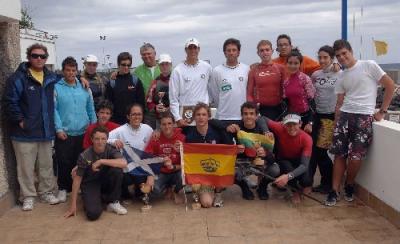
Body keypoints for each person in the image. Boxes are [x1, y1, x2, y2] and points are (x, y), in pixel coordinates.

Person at [325, 39, 395, 206]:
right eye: (338, 55)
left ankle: (349, 184)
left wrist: (382, 111)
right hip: (344, 116)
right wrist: (336, 121)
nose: (342, 57)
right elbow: (339, 102)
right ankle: (334, 190)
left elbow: (390, 85)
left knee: (356, 157)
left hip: (364, 117)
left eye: (344, 53)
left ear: (351, 51)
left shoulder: (368, 65)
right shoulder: (341, 76)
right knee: (339, 155)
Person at [4, 43, 59, 211]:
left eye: (42, 56)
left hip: (44, 131)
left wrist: (82, 78)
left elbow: (69, 79)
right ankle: (27, 196)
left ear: (46, 58)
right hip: (24, 133)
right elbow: (9, 102)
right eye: (35, 55)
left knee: (46, 165)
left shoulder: (51, 77)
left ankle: (46, 192)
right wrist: (21, 120)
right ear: (29, 57)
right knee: (25, 167)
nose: (39, 59)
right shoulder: (18, 78)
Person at [54, 56, 97, 203]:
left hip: (84, 132)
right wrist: (59, 129)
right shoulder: (56, 87)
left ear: (77, 71)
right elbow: (54, 110)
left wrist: (93, 128)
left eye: (73, 70)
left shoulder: (85, 87)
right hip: (65, 132)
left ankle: (77, 187)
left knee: (80, 161)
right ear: (63, 71)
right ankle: (63, 188)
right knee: (63, 161)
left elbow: (91, 109)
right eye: (68, 70)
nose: (71, 73)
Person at [64, 126, 128, 220]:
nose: (100, 142)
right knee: (93, 214)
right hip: (91, 183)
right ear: (92, 139)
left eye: (103, 139)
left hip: (105, 180)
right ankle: (93, 199)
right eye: (97, 139)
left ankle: (113, 202)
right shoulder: (84, 155)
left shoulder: (110, 148)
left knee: (117, 170)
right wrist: (73, 205)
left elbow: (124, 163)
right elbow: (77, 179)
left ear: (107, 139)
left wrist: (101, 161)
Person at [226, 102, 280, 200]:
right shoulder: (236, 128)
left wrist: (266, 153)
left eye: (251, 114)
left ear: (256, 116)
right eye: (245, 114)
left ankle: (262, 187)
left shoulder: (264, 131)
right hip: (243, 163)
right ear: (241, 115)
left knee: (275, 170)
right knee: (228, 171)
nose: (248, 116)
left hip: (260, 163)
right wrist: (235, 150)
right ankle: (244, 186)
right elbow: (215, 123)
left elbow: (273, 158)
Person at [183, 103, 233, 208]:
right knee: (207, 203)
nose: (201, 117)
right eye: (198, 115)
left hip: (216, 170)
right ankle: (202, 190)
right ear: (194, 117)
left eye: (204, 114)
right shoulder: (190, 135)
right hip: (201, 174)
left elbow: (229, 149)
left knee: (222, 164)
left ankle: (218, 193)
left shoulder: (218, 132)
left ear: (208, 117)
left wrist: (238, 149)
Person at [107, 104, 154, 200]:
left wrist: (157, 132)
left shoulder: (148, 129)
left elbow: (155, 142)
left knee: (144, 193)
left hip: (141, 168)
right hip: (126, 169)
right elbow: (105, 138)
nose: (137, 117)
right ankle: (124, 192)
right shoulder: (121, 130)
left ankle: (137, 190)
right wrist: (114, 141)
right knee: (120, 176)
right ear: (128, 116)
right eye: (134, 114)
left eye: (139, 114)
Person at [309, 45, 339, 194]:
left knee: (322, 151)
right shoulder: (315, 75)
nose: (322, 60)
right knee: (316, 150)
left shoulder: (339, 73)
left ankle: (328, 183)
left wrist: (337, 66)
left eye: (325, 57)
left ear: (332, 58)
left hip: (331, 116)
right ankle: (325, 182)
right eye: (320, 57)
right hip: (317, 116)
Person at [265, 114, 313, 204]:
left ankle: (305, 185)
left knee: (306, 180)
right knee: (288, 169)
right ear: (284, 125)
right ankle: (295, 191)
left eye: (294, 124)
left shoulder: (307, 138)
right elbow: (262, 118)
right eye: (288, 125)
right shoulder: (279, 127)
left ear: (300, 124)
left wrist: (288, 176)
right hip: (284, 159)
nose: (291, 128)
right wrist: (266, 131)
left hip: (300, 160)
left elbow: (304, 165)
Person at [169, 38, 212, 127]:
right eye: (190, 48)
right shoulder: (177, 70)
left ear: (199, 49)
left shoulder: (207, 67)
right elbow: (173, 97)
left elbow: (212, 88)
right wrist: (177, 118)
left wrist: (209, 103)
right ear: (186, 50)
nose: (193, 50)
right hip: (185, 115)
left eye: (195, 48)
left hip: (202, 113)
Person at [145, 112, 185, 204]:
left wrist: (180, 152)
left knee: (184, 175)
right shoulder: (155, 138)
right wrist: (150, 175)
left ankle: (175, 190)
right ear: (160, 125)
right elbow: (147, 158)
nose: (167, 127)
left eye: (169, 123)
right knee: (153, 191)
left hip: (176, 171)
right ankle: (167, 187)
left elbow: (187, 162)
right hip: (161, 172)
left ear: (174, 124)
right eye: (164, 124)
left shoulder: (182, 138)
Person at [247, 40, 286, 120]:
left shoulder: (281, 69)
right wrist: (252, 110)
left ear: (272, 51)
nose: (265, 52)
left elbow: (287, 89)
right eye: (262, 50)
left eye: (267, 50)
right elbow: (249, 94)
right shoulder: (253, 71)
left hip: (280, 108)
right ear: (258, 53)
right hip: (262, 109)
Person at [106, 52, 145, 125]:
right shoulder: (112, 82)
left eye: (128, 65)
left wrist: (141, 120)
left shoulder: (135, 81)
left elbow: (141, 103)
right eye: (123, 65)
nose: (126, 67)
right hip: (116, 122)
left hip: (133, 122)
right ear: (118, 65)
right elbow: (108, 104)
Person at [282, 48, 315, 133]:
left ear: (300, 64)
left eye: (296, 63)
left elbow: (312, 102)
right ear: (286, 64)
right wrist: (284, 119)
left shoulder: (305, 79)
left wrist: (310, 123)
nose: (293, 66)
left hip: (306, 117)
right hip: (292, 119)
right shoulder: (286, 82)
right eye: (290, 63)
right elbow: (286, 104)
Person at [135, 43, 161, 128]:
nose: (146, 56)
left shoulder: (164, 67)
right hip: (147, 112)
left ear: (155, 53)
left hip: (164, 111)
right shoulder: (137, 71)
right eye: (144, 54)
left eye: (149, 53)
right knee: (149, 136)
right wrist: (116, 73)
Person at [146, 54, 173, 129]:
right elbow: (149, 101)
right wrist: (155, 108)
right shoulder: (155, 82)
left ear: (171, 65)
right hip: (159, 120)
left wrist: (171, 108)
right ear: (159, 66)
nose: (164, 66)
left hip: (174, 119)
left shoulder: (177, 80)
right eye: (162, 64)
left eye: (167, 64)